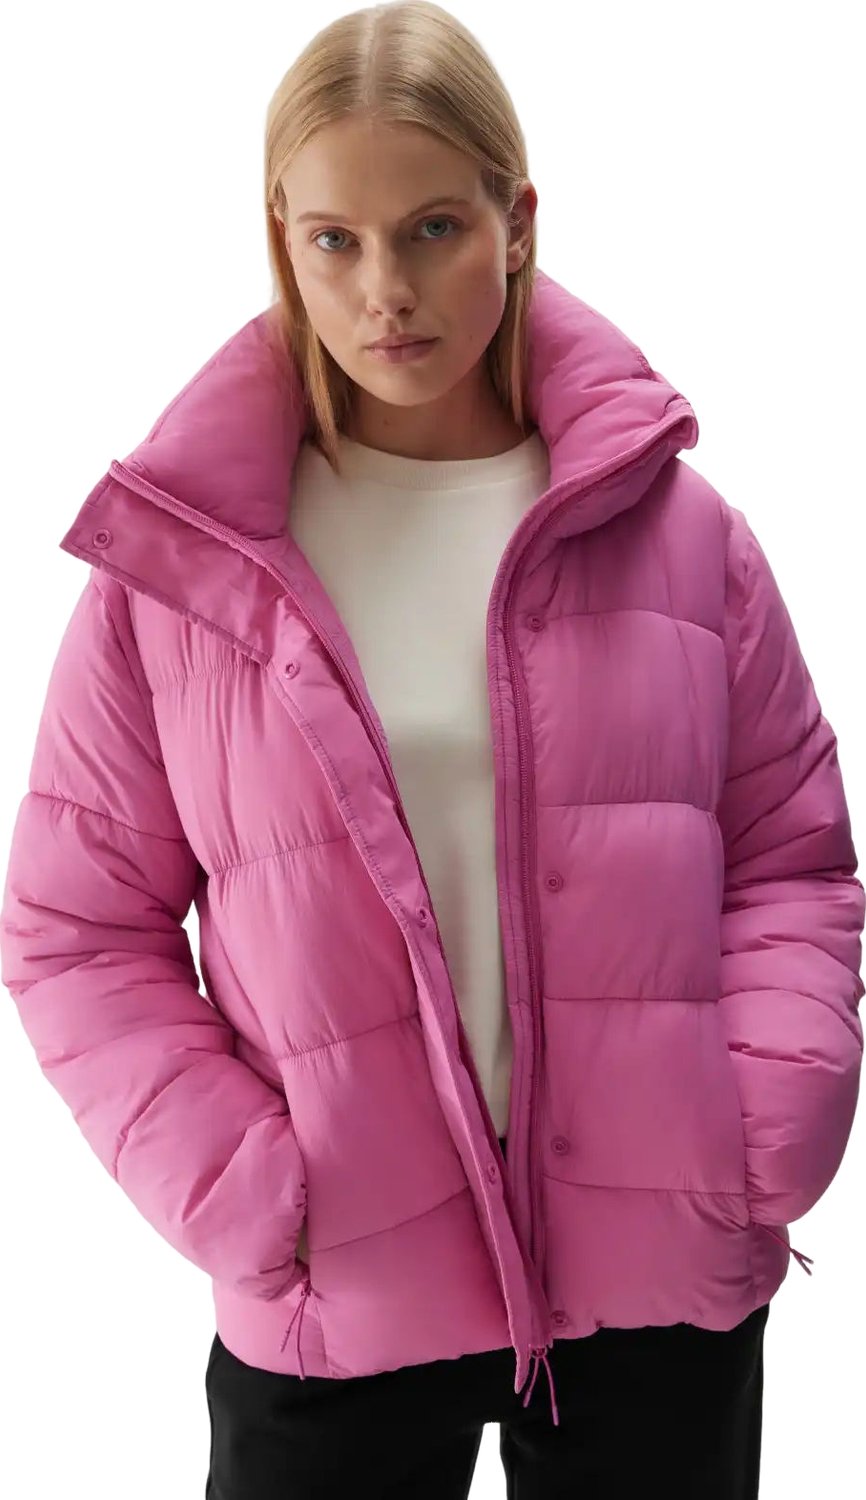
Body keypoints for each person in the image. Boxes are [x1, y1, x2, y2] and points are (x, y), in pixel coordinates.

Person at [1, 3, 863, 1497]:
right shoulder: (187, 572)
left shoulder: (683, 538)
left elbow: (787, 859)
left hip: (658, 1270)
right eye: (334, 240)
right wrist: (246, 1190)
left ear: (517, 223)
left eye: (434, 229)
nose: (384, 291)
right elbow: (75, 925)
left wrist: (763, 1127)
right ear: (281, 239)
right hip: (340, 1289)